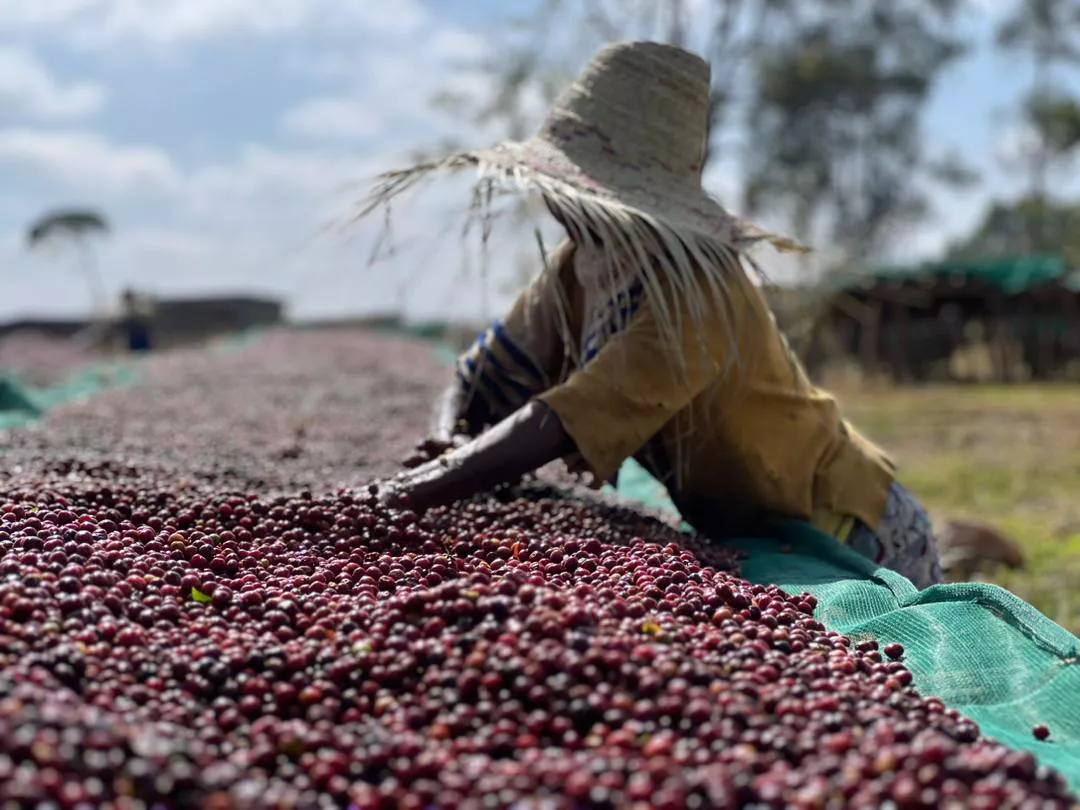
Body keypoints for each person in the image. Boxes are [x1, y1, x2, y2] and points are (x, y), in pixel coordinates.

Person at [367, 41, 943, 589]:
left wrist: (415, 492)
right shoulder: (578, 266)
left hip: (840, 527)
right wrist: (445, 439)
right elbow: (479, 373)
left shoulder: (699, 290)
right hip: (745, 524)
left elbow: (564, 418)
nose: (556, 199)